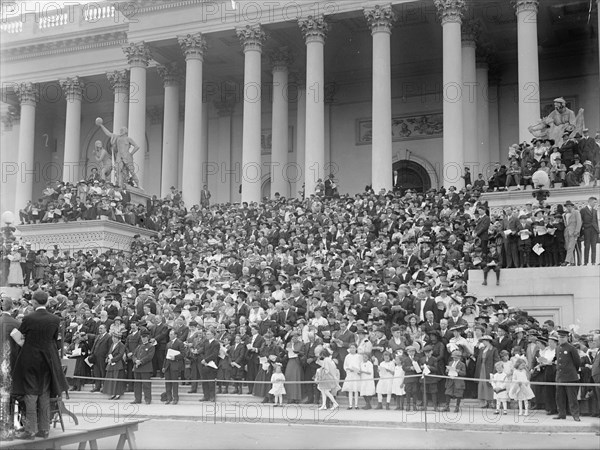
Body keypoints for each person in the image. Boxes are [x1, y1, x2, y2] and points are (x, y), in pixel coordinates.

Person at [11, 290, 69, 440]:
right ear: (47, 302)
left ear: (34, 302)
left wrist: (25, 344)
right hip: (48, 360)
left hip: (30, 359)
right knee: (44, 394)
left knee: (30, 395)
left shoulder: (29, 318)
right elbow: (54, 339)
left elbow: (17, 335)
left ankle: (30, 430)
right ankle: (44, 430)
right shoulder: (55, 319)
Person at [96, 118, 140, 188]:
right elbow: (108, 133)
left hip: (127, 156)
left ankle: (138, 185)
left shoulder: (128, 139)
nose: (120, 131)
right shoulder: (117, 137)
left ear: (125, 131)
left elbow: (137, 147)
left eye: (122, 130)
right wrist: (101, 125)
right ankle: (119, 185)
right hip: (119, 156)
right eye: (120, 130)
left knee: (132, 171)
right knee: (118, 170)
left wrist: (131, 154)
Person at [554, 329, 581, 421]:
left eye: (563, 337)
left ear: (567, 338)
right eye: (559, 337)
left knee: (572, 398)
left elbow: (577, 362)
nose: (561, 339)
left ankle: (575, 415)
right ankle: (561, 413)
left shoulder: (571, 348)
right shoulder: (557, 348)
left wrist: (573, 371)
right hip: (560, 376)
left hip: (570, 376)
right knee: (559, 397)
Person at [131, 327, 154, 405]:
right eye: (142, 337)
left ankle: (147, 399)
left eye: (144, 337)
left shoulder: (151, 346)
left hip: (145, 368)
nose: (143, 339)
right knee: (137, 385)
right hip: (137, 368)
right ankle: (137, 399)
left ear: (147, 337)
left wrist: (141, 361)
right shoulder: (139, 346)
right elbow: (134, 355)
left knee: (146, 385)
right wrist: (135, 361)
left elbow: (149, 356)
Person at [476, 335, 500, 409]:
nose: (483, 342)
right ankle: (484, 402)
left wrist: (494, 371)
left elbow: (496, 360)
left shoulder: (493, 349)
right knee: (482, 385)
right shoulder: (482, 349)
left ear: (488, 341)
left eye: (484, 341)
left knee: (489, 385)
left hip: (489, 369)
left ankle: (491, 402)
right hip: (482, 368)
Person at [163, 329, 184, 405]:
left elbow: (183, 354)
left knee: (174, 382)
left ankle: (175, 398)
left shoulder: (179, 343)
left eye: (171, 334)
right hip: (168, 365)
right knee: (167, 382)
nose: (170, 336)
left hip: (175, 364)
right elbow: (165, 356)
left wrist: (175, 357)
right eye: (169, 334)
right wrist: (164, 366)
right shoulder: (168, 344)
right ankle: (169, 398)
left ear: (175, 335)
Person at [102, 331, 126, 400]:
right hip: (111, 364)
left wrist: (112, 360)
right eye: (113, 337)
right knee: (111, 379)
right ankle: (112, 393)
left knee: (117, 379)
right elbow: (109, 353)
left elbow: (120, 355)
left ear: (119, 339)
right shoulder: (112, 344)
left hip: (117, 364)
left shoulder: (121, 345)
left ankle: (117, 394)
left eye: (115, 338)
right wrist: (107, 358)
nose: (114, 339)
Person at [342, 343, 361, 409]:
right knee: (350, 390)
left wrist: (357, 370)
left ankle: (356, 405)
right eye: (351, 348)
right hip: (350, 374)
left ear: (356, 348)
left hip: (356, 374)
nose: (352, 349)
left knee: (355, 390)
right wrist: (348, 369)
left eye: (353, 348)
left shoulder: (358, 356)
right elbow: (345, 365)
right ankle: (350, 405)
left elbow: (360, 365)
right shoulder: (347, 356)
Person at [562, 200, 582, 266]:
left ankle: (567, 261)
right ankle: (572, 262)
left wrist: (577, 231)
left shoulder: (576, 212)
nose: (568, 208)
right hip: (567, 232)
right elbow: (566, 224)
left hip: (573, 232)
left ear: (572, 206)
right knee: (568, 247)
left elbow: (579, 222)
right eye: (567, 206)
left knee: (571, 247)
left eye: (569, 206)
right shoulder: (565, 214)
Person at [580, 196, 599, 265]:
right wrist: (581, 231)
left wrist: (598, 231)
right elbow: (580, 221)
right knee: (587, 246)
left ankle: (593, 261)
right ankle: (586, 262)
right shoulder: (583, 210)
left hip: (594, 230)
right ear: (590, 202)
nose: (595, 204)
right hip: (586, 230)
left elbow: (596, 221)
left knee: (594, 246)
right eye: (594, 202)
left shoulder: (595, 211)